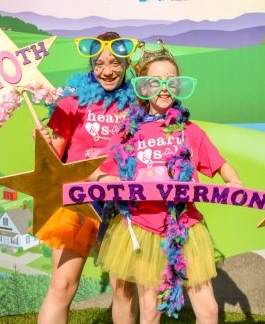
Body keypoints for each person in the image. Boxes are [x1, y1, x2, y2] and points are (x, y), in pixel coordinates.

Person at [93, 40, 242, 323]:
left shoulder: (190, 131)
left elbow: (221, 166)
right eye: (156, 81)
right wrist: (107, 177)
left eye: (171, 81)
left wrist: (233, 181)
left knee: (209, 310)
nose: (164, 88)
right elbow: (97, 172)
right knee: (150, 311)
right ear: (144, 87)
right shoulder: (130, 132)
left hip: (185, 228)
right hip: (143, 226)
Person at [35, 32, 139, 324]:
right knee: (62, 285)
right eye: (100, 64)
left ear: (127, 62)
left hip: (122, 205)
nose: (107, 71)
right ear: (91, 65)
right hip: (78, 201)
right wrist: (43, 143)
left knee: (124, 291)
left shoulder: (138, 105)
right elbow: (53, 157)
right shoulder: (71, 102)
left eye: (115, 63)